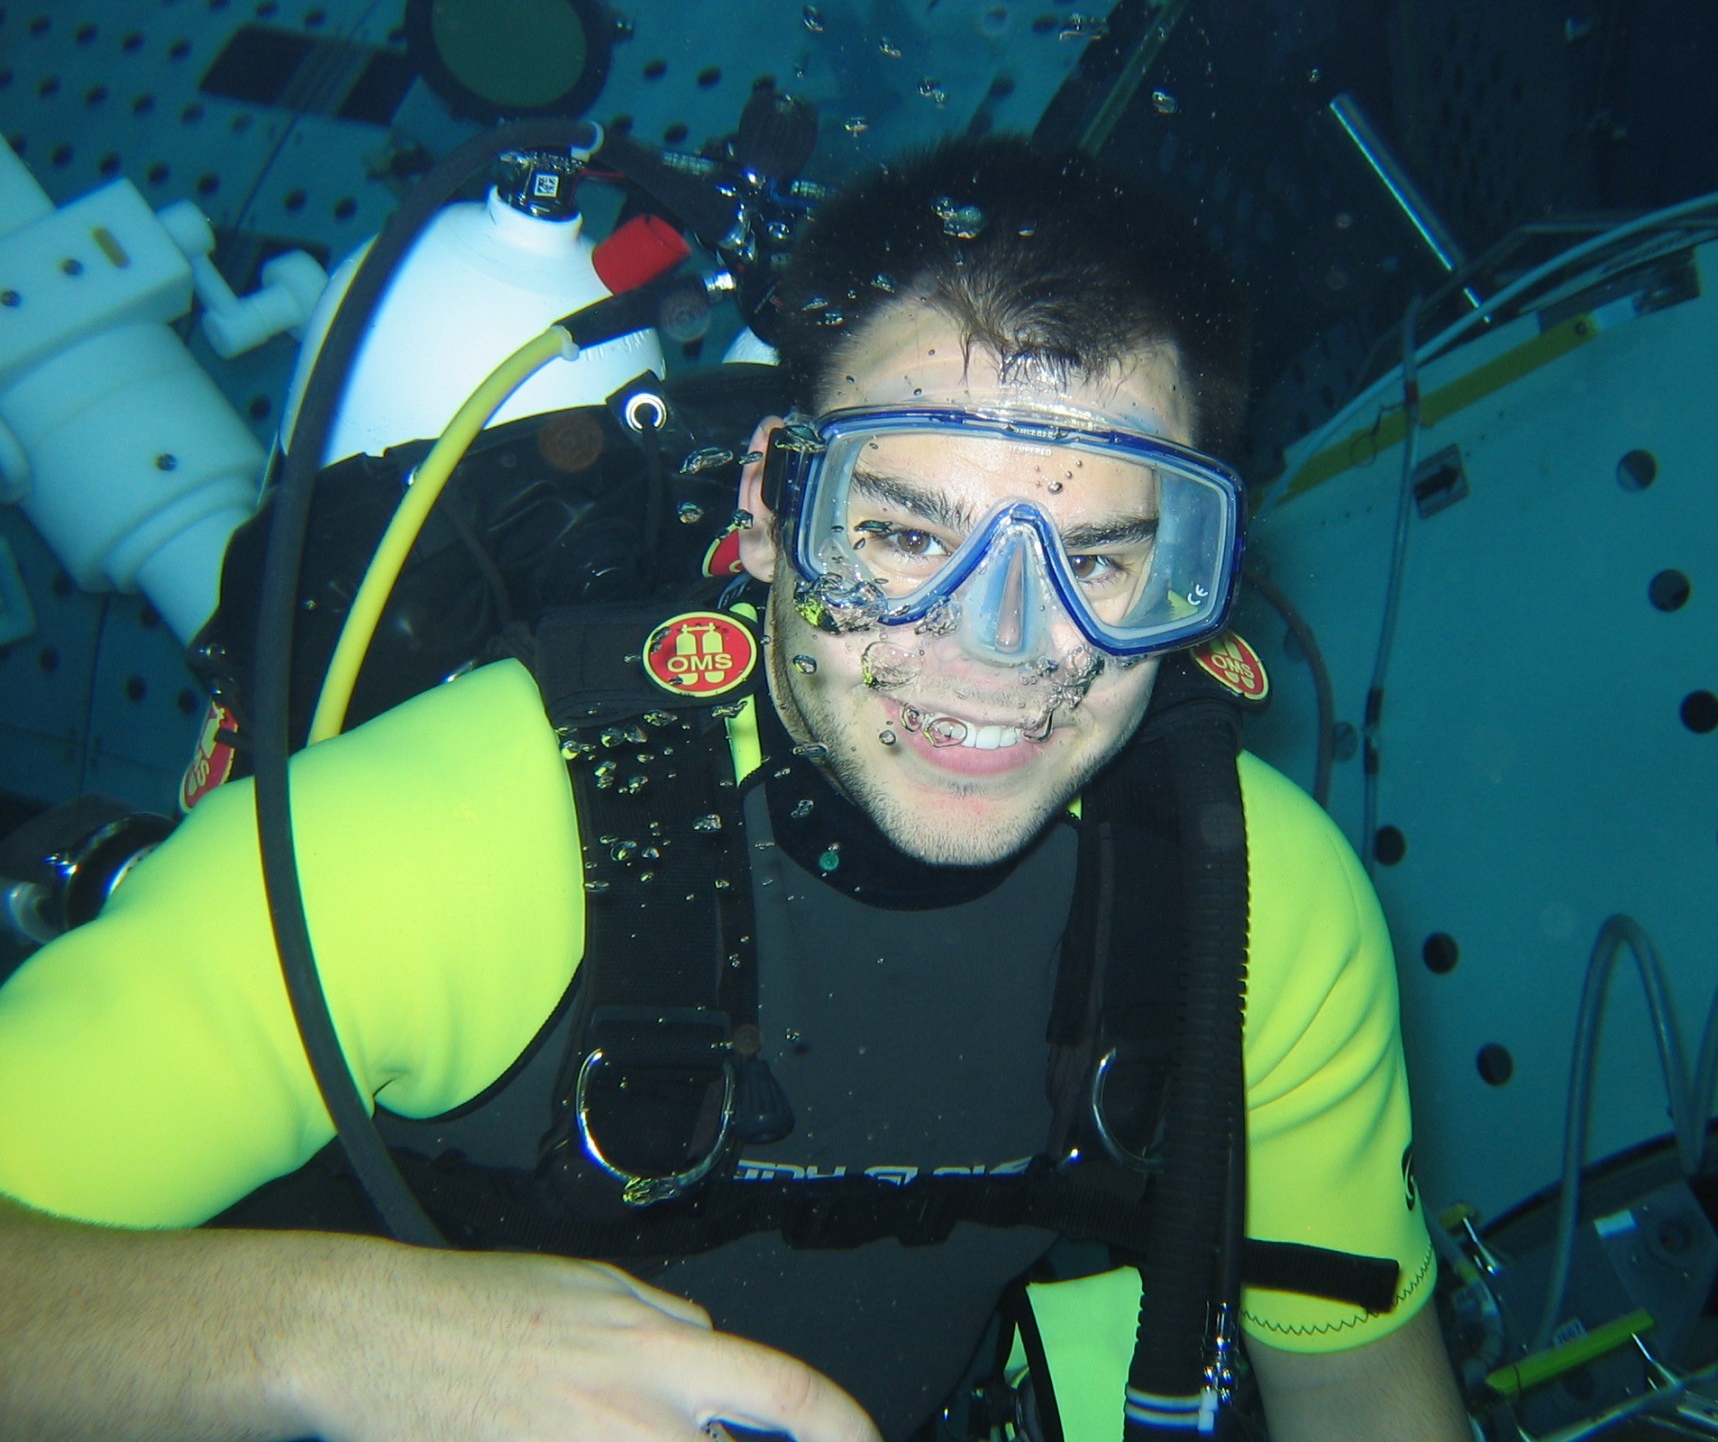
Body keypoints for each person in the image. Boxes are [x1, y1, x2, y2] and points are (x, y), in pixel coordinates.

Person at [0, 136, 1469, 1442]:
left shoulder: (1255, 899)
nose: (1001, 657)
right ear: (770, 508)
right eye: (905, 537)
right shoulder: (446, 839)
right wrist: (333, 1337)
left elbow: (1364, 1390)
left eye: (1098, 564)